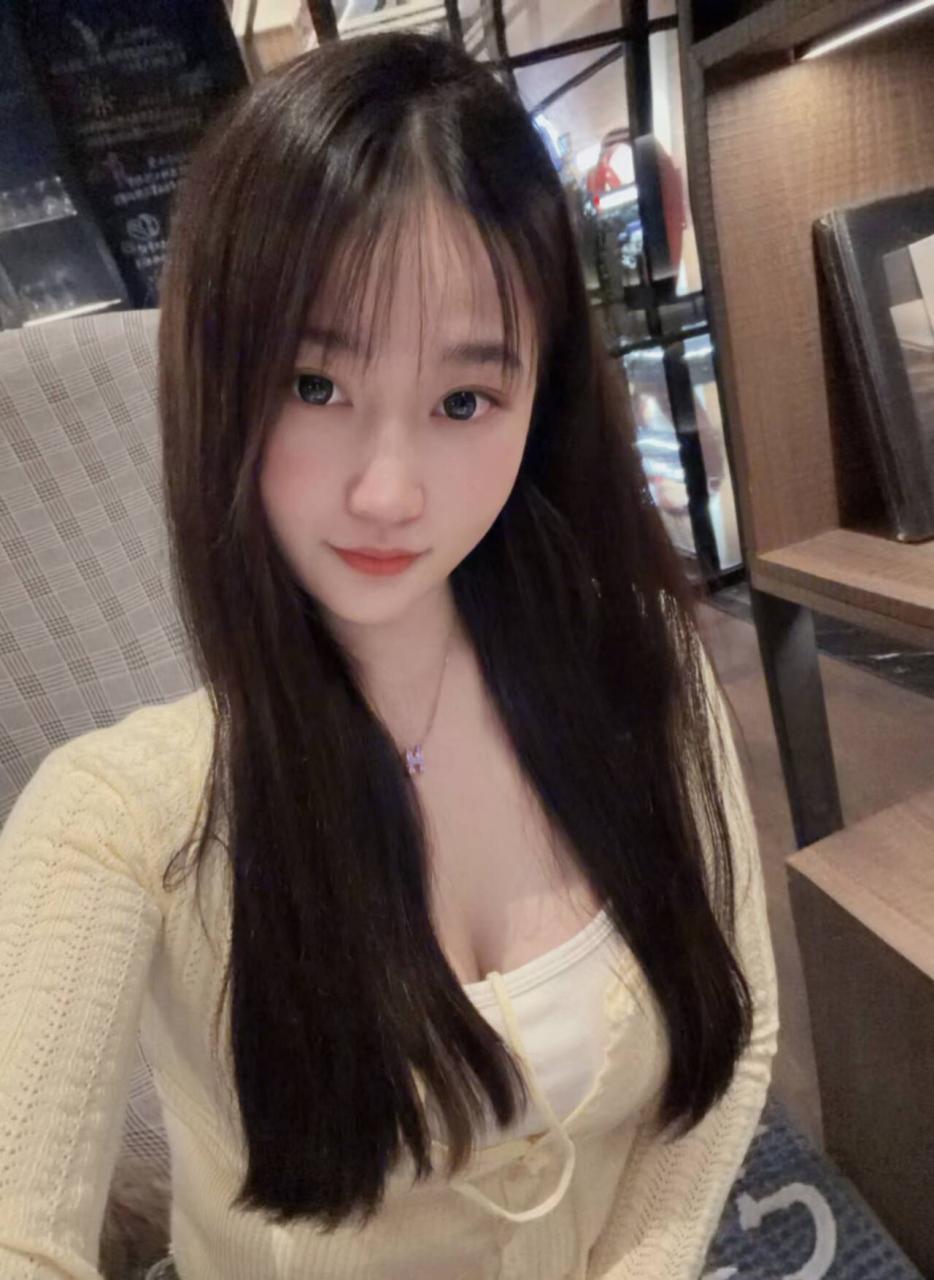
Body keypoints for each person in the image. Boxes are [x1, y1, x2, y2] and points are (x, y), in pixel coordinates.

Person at [0, 30, 779, 1280]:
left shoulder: (642, 674)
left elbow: (735, 1033)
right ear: (218, 380)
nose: (387, 490)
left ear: (539, 402)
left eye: (464, 400)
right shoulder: (123, 818)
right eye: (315, 384)